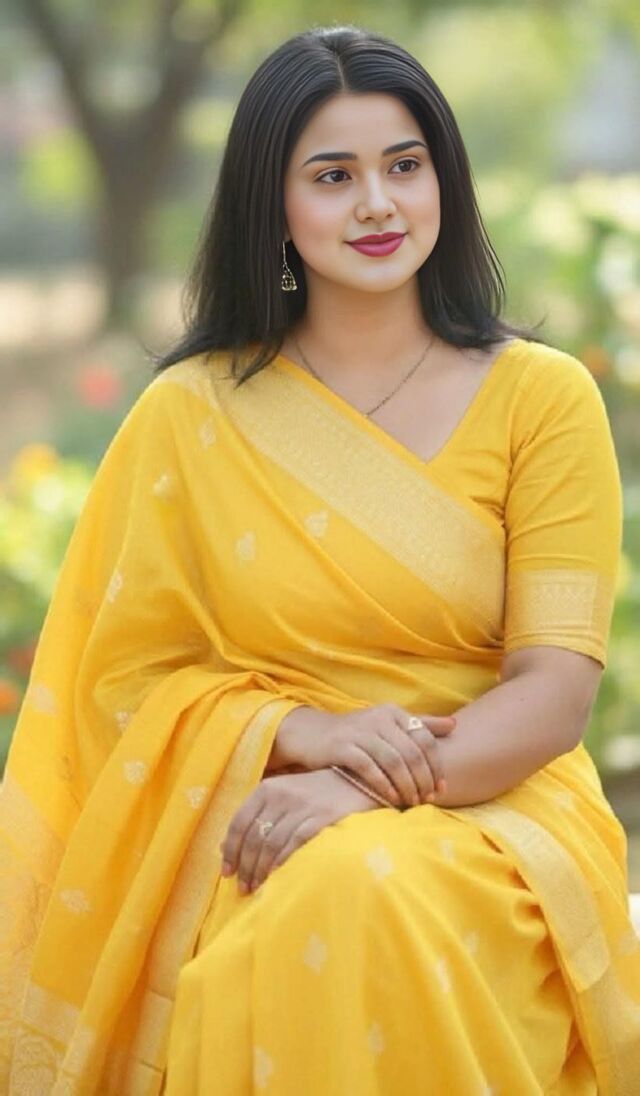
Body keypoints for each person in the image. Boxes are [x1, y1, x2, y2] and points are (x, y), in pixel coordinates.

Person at [1, 22, 638, 1095]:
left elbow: (553, 690)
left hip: (493, 814)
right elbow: (124, 681)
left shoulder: (541, 399)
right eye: (333, 176)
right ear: (274, 205)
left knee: (355, 887)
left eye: (404, 166)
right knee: (305, 900)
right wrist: (306, 738)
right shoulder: (191, 416)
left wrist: (366, 789)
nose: (378, 204)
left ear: (444, 181)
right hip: (259, 812)